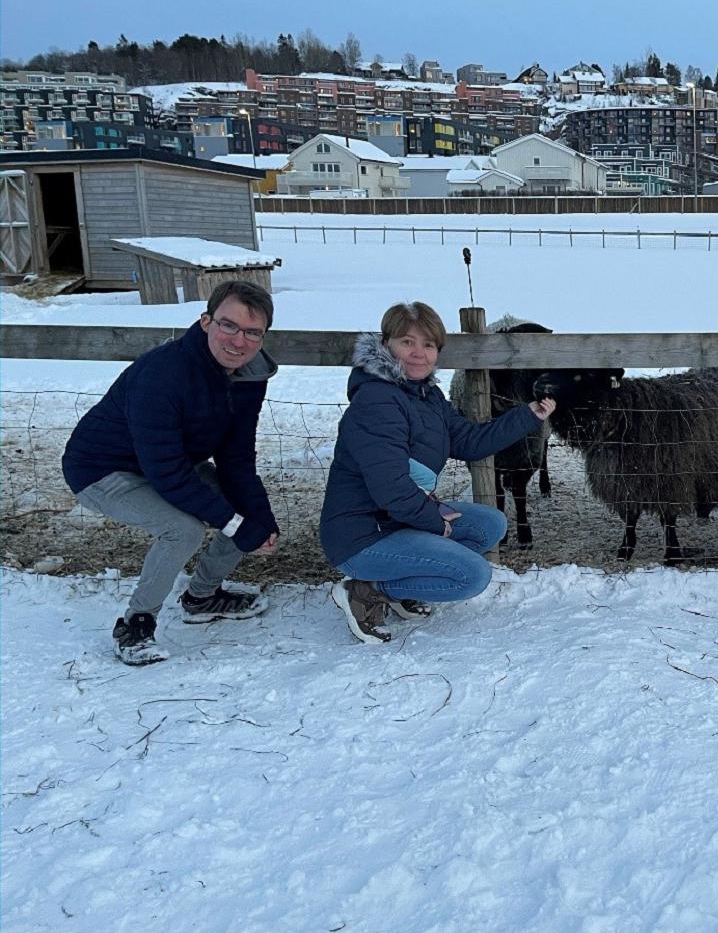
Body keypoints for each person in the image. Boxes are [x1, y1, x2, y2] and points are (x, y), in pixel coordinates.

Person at [62, 281, 281, 666]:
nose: (238, 341)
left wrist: (259, 518)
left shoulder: (249, 377)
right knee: (183, 529)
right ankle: (136, 625)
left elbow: (237, 458)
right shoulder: (162, 373)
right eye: (228, 325)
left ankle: (202, 597)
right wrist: (234, 525)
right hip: (103, 469)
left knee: (244, 514)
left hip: (173, 463)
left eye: (252, 332)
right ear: (205, 321)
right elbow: (166, 475)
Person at [320, 301, 555, 643]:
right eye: (407, 342)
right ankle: (367, 588)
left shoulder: (427, 397)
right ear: (387, 345)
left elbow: (471, 442)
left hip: (396, 520)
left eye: (428, 345)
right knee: (471, 576)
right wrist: (435, 523)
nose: (419, 353)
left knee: (490, 524)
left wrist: (527, 415)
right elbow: (391, 487)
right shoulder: (376, 401)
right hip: (363, 535)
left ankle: (399, 587)